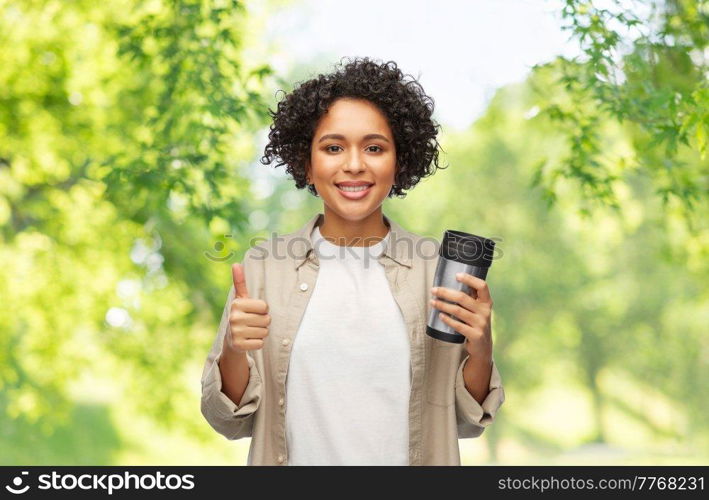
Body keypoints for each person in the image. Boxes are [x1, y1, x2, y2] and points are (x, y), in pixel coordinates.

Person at [200, 57, 505, 465]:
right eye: (333, 147)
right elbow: (229, 421)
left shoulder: (437, 269)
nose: (355, 164)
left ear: (399, 163)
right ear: (307, 164)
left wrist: (481, 349)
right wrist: (235, 350)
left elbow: (467, 422)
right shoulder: (264, 267)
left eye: (375, 148)